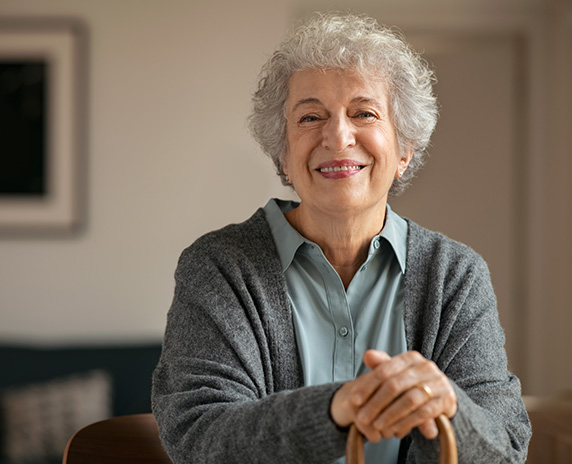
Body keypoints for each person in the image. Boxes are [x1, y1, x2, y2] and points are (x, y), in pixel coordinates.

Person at [151, 12, 531, 464]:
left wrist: (445, 407)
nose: (337, 136)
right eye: (311, 117)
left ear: (404, 149)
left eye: (364, 113)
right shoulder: (218, 267)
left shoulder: (455, 275)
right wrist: (334, 411)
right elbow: (199, 438)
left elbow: (505, 449)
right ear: (283, 154)